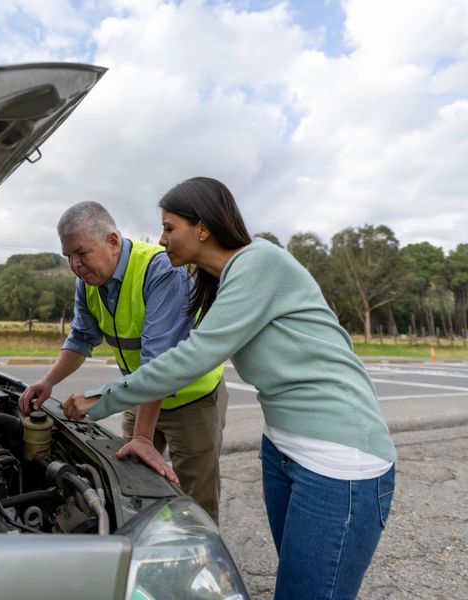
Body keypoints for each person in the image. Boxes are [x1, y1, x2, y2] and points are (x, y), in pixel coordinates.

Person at [62, 178, 396, 600]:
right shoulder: (216, 281)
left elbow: (193, 356)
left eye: (169, 227)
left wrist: (98, 399)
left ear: (201, 227)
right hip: (283, 449)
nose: (161, 239)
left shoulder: (259, 262)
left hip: (340, 459)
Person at [18, 201, 227, 522]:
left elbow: (159, 361)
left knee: (193, 497)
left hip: (192, 399)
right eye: (68, 257)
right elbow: (80, 339)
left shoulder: (161, 270)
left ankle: (199, 563)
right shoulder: (88, 280)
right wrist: (48, 382)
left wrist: (143, 437)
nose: (75, 265)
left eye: (81, 253)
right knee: (128, 484)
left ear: (113, 242)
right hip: (139, 394)